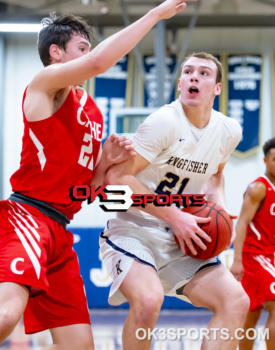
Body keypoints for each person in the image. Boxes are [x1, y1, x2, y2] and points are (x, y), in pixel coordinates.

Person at [0, 1, 192, 348]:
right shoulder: (44, 86)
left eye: (90, 47)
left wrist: (107, 162)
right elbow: (100, 62)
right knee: (6, 314)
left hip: (60, 228)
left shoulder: (91, 110)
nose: (91, 55)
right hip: (27, 215)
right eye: (82, 47)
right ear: (56, 53)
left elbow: (87, 189)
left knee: (80, 345)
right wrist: (154, 15)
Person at [100, 52, 250, 350]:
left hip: (182, 238)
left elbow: (216, 176)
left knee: (235, 301)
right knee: (148, 300)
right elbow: (116, 179)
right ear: (180, 83)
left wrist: (218, 205)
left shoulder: (228, 131)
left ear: (217, 88)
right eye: (188, 71)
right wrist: (174, 215)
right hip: (135, 230)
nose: (195, 76)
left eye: (204, 73)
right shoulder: (165, 122)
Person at [230, 138, 275, 350]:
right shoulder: (258, 188)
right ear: (265, 160)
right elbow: (242, 224)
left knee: (251, 314)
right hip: (255, 256)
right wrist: (237, 260)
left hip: (270, 256)